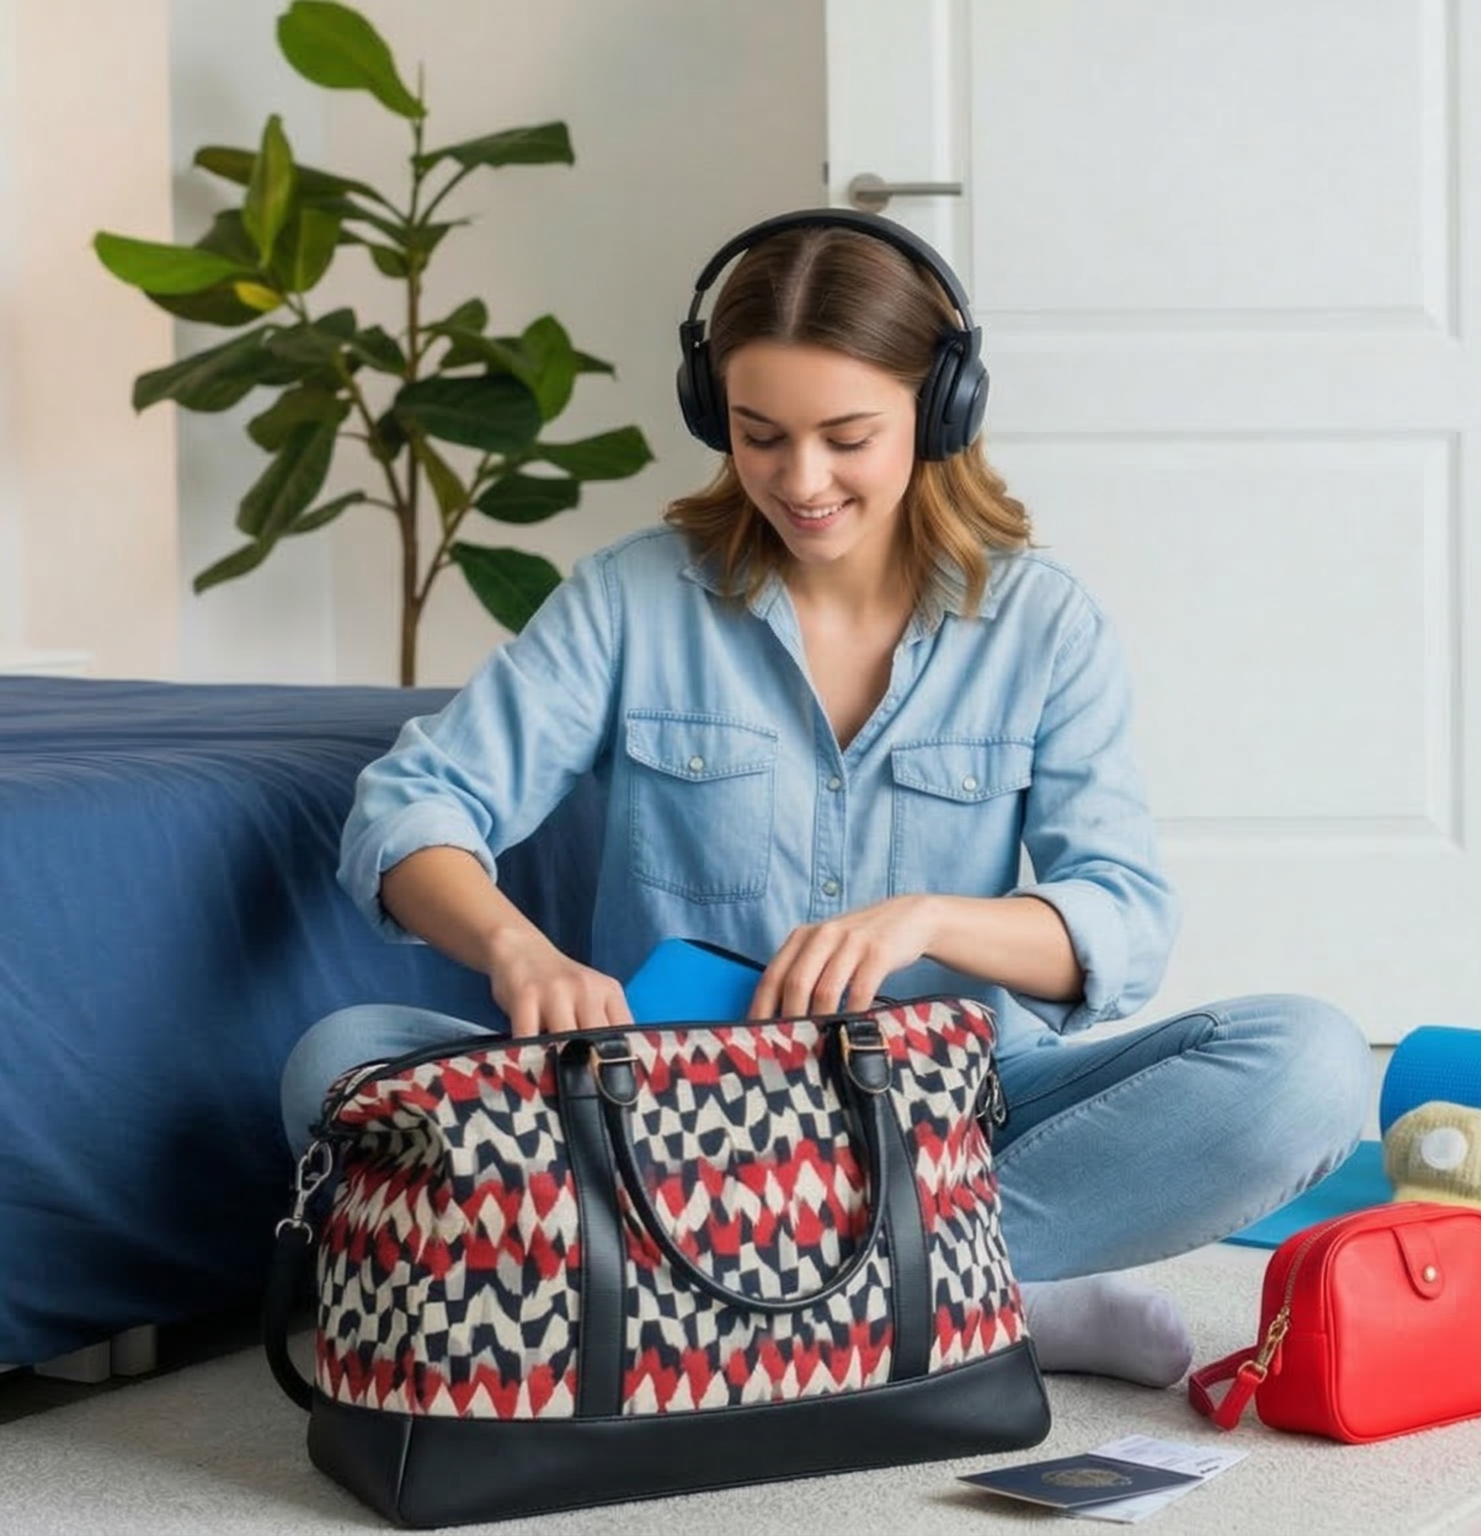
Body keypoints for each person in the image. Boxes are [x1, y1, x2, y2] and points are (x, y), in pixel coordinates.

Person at [277, 209, 1372, 1389]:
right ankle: (965, 1296)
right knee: (342, 1064)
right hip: (660, 1125)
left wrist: (927, 921)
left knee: (1310, 1066)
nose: (800, 482)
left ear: (939, 411)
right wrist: (517, 951)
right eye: (761, 436)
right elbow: (412, 807)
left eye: (847, 437)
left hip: (955, 1115)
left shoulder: (1043, 624)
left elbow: (1123, 917)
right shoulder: (631, 601)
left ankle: (713, 1300)